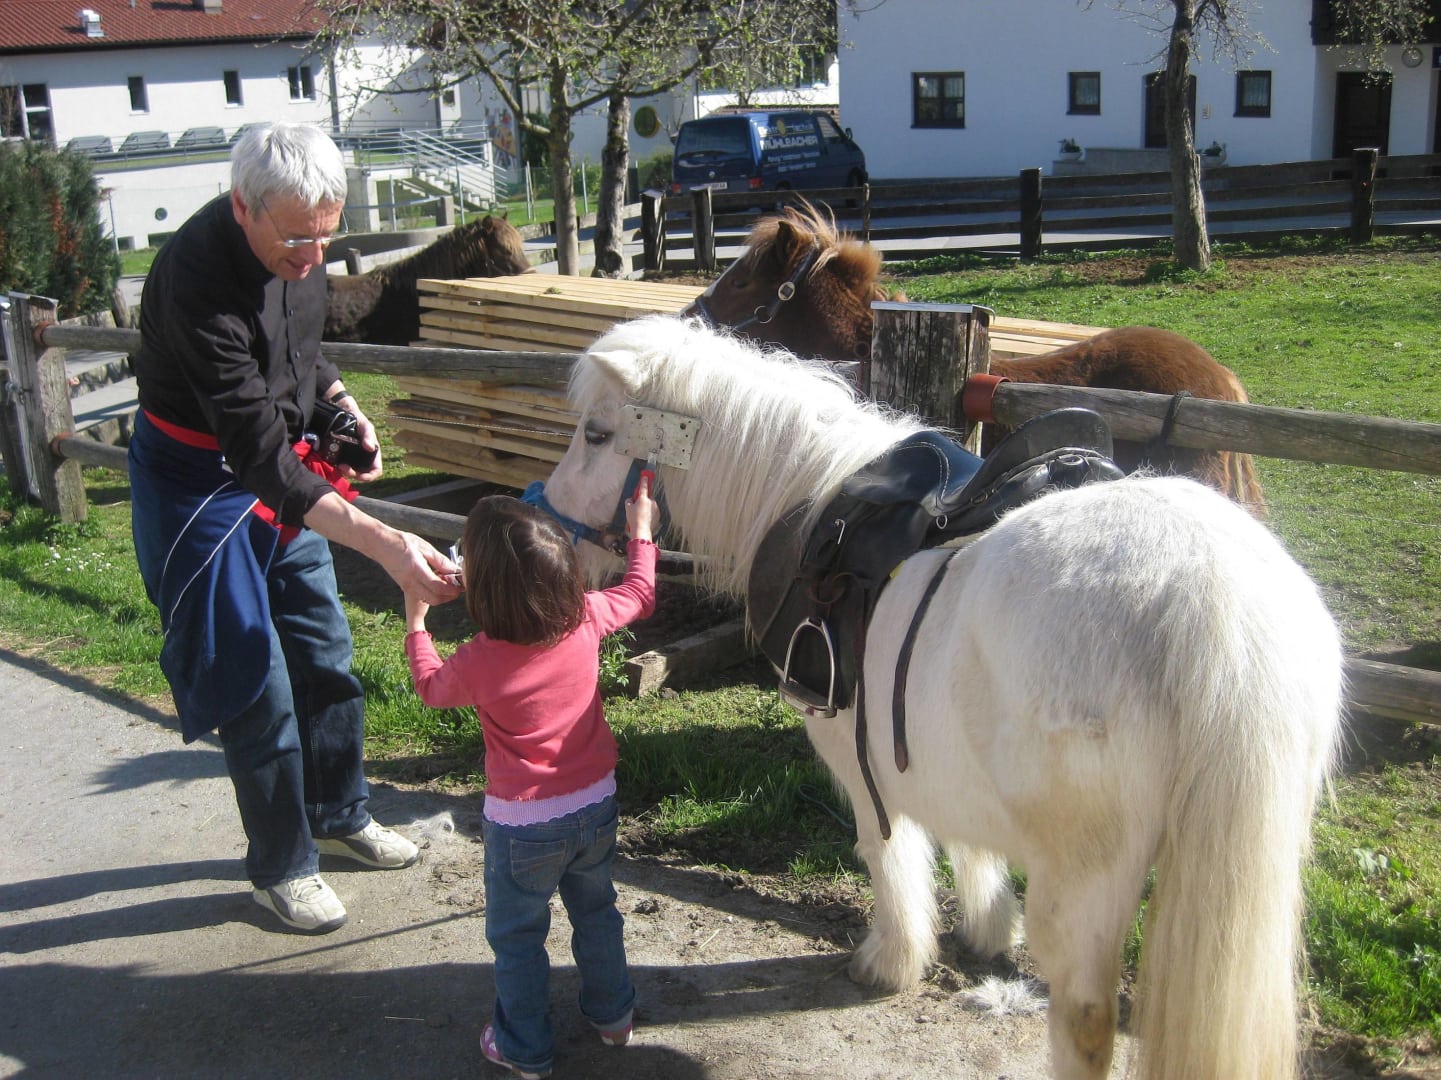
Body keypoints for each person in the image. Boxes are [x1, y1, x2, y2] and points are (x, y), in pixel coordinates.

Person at [127, 121, 462, 935]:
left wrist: (341, 404)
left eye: (325, 236)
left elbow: (300, 348)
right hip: (200, 483)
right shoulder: (194, 281)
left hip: (280, 465)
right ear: (242, 206)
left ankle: (339, 816)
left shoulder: (297, 247)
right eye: (295, 240)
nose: (312, 257)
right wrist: (388, 544)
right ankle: (282, 865)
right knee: (257, 681)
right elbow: (256, 454)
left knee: (323, 649)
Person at [403, 482, 659, 1080]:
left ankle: (525, 1049)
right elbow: (640, 593)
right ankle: (614, 1016)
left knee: (517, 937)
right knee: (597, 912)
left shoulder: (479, 658)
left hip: (522, 825)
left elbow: (431, 688)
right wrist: (641, 529)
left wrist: (417, 622)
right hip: (595, 806)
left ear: (484, 589)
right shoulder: (586, 617)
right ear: (566, 574)